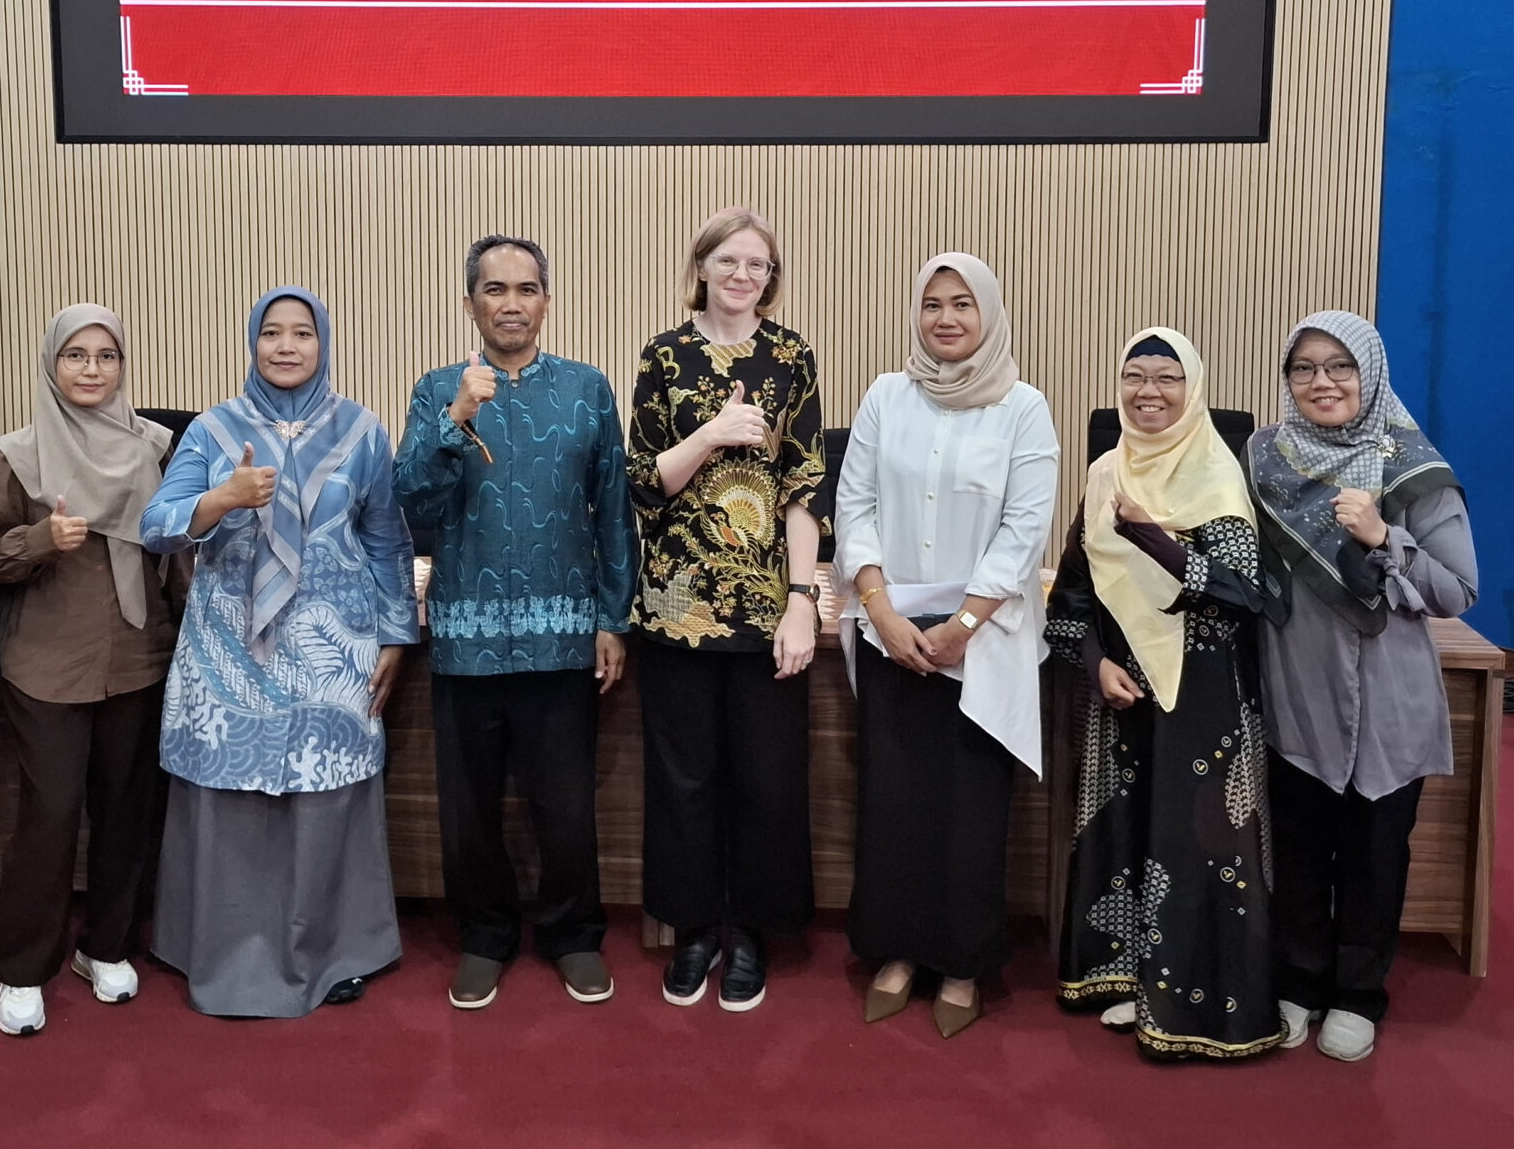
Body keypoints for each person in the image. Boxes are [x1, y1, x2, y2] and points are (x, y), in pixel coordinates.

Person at [138, 288, 417, 1017]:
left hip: (332, 647)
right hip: (230, 646)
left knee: (324, 796)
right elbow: (156, 526)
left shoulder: (361, 431)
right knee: (231, 798)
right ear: (252, 342)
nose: (287, 346)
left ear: (324, 344)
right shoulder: (213, 430)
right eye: (271, 333)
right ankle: (225, 953)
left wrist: (395, 635)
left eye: (302, 333)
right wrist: (222, 498)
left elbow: (386, 540)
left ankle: (336, 953)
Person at [395, 235, 636, 1012]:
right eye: (494, 290)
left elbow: (614, 509)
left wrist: (613, 616)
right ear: (470, 304)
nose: (510, 303)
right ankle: (485, 936)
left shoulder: (586, 389)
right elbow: (411, 500)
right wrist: (455, 420)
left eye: (525, 289)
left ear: (546, 302)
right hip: (466, 634)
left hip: (563, 632)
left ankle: (573, 935)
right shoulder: (439, 389)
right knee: (468, 809)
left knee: (565, 805)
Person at [835, 254, 1058, 1038]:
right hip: (892, 634)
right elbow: (854, 506)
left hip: (982, 642)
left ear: (988, 313)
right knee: (893, 805)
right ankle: (897, 952)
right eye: (932, 304)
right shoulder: (886, 397)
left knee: (969, 812)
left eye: (963, 303)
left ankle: (962, 964)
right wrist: (880, 610)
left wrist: (963, 625)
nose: (947, 318)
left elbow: (1025, 529)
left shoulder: (1024, 408)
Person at [1051, 328, 1287, 1061]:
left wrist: (1153, 535)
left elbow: (1243, 590)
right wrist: (1094, 664)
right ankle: (1129, 975)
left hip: (1203, 693)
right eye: (1134, 376)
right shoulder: (1105, 473)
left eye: (1167, 378)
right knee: (1127, 831)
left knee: (1198, 842)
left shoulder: (1218, 475)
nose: (1148, 392)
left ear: (1194, 390)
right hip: (1125, 687)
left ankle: (1192, 1001)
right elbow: (1072, 593)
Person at [1251, 309, 1478, 1064]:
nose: (1322, 383)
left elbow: (1457, 591)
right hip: (1297, 692)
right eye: (1304, 368)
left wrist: (1385, 538)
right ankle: (1299, 982)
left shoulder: (1412, 468)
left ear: (1370, 374)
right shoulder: (1263, 459)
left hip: (1387, 700)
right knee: (1299, 849)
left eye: (1340, 366)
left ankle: (1357, 993)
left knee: (1376, 854)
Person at [627, 207, 825, 1013]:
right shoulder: (663, 356)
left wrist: (803, 602)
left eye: (759, 265)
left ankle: (751, 934)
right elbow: (645, 485)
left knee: (767, 781)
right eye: (729, 261)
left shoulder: (791, 357)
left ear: (771, 278)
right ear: (701, 267)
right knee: (683, 780)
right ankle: (694, 929)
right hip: (675, 607)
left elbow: (802, 490)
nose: (744, 275)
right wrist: (710, 432)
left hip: (765, 611)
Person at [0, 304, 181, 1037]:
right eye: (76, 355)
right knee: (51, 813)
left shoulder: (157, 447)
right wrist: (41, 539)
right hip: (47, 663)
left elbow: (178, 549)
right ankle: (24, 967)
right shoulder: (16, 455)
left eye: (106, 356)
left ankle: (106, 946)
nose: (92, 369)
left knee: (126, 810)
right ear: (51, 364)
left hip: (138, 654)